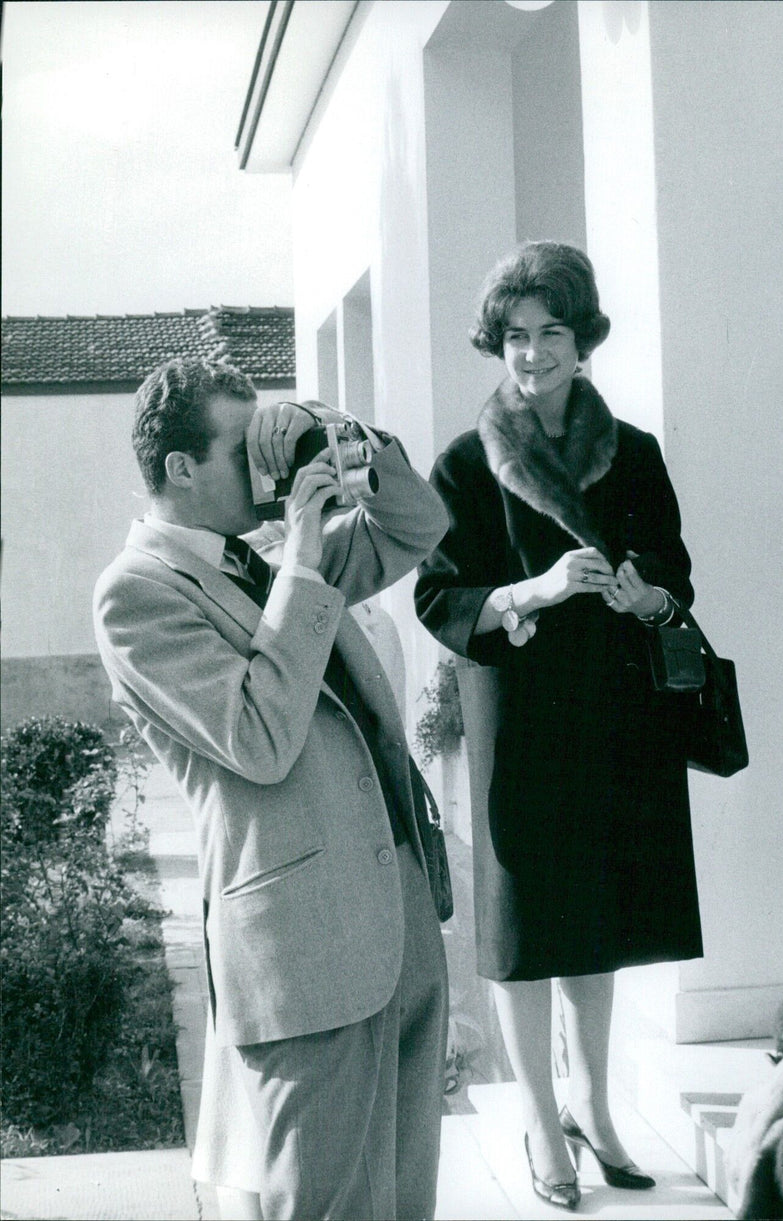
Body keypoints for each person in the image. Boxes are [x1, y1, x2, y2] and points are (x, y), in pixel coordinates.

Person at [93, 357, 450, 1221]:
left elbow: (419, 522)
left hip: (394, 911)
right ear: (181, 469)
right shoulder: (136, 596)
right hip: (304, 948)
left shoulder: (265, 562)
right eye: (239, 447)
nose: (263, 467)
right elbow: (260, 736)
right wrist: (299, 554)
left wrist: (344, 434)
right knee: (330, 1207)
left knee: (404, 1199)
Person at [415, 241, 703, 1211]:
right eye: (514, 336)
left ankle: (593, 1106)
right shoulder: (464, 462)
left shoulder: (633, 453)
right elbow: (436, 598)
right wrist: (526, 590)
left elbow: (675, 576)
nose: (531, 353)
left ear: (582, 342)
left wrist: (643, 593)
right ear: (495, 345)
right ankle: (541, 1118)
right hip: (523, 721)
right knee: (526, 927)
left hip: (615, 714)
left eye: (550, 333)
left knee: (600, 922)